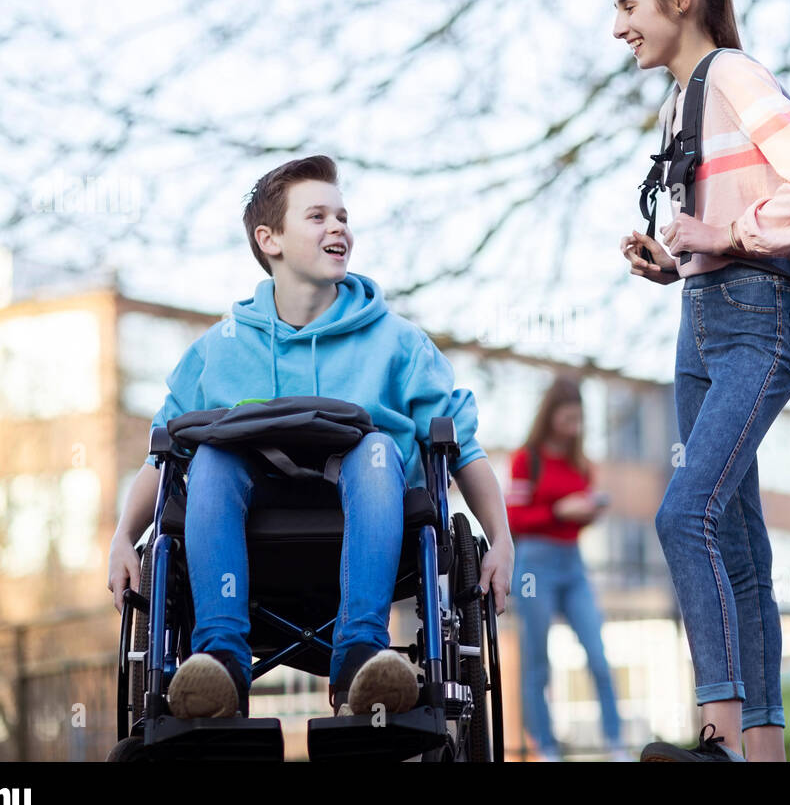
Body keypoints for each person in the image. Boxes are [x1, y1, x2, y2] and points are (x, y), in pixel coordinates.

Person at [107, 154, 514, 720]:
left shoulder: (398, 343)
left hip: (370, 519)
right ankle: (219, 664)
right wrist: (125, 536)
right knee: (213, 455)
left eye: (342, 216)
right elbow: (163, 452)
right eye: (318, 216)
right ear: (269, 239)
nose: (338, 227)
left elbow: (460, 447)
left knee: (375, 447)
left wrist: (500, 537)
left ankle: (361, 660)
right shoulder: (219, 348)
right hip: (248, 532)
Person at [614, 0, 790, 761]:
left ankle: (715, 739)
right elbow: (715, 233)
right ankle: (762, 755)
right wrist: (674, 259)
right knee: (742, 549)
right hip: (701, 321)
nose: (618, 27)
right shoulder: (679, 100)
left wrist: (728, 231)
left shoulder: (737, 77)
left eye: (628, 5)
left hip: (758, 319)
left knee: (686, 514)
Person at [506, 376, 629, 762]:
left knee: (597, 654)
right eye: (568, 417)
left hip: (572, 563)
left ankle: (615, 742)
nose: (574, 425)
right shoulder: (527, 459)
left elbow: (576, 521)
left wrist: (587, 512)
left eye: (579, 418)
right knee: (537, 662)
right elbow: (513, 518)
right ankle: (546, 747)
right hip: (534, 565)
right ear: (552, 415)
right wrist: (560, 510)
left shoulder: (582, 464)